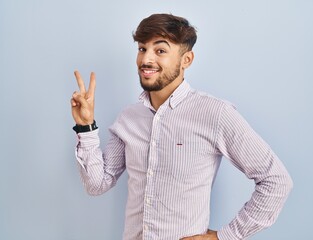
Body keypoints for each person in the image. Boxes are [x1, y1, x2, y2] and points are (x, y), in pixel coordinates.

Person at [70, 13, 293, 240]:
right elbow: (97, 184)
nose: (146, 59)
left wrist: (225, 236)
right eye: (141, 48)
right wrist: (86, 126)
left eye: (160, 50)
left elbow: (276, 180)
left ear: (186, 60)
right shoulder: (129, 118)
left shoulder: (215, 114)